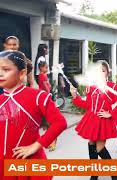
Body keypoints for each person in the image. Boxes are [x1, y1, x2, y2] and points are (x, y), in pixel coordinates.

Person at [0, 50, 67, 180]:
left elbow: (60, 122)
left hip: (28, 162)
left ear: (22, 73)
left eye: (6, 69)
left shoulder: (38, 96)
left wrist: (35, 146)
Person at [70, 60, 117, 180]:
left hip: (103, 120)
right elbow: (88, 105)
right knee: (91, 143)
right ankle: (94, 173)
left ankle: (115, 173)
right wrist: (75, 96)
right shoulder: (91, 87)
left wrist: (111, 114)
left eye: (103, 70)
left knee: (100, 148)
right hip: (91, 119)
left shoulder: (113, 87)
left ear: (108, 72)